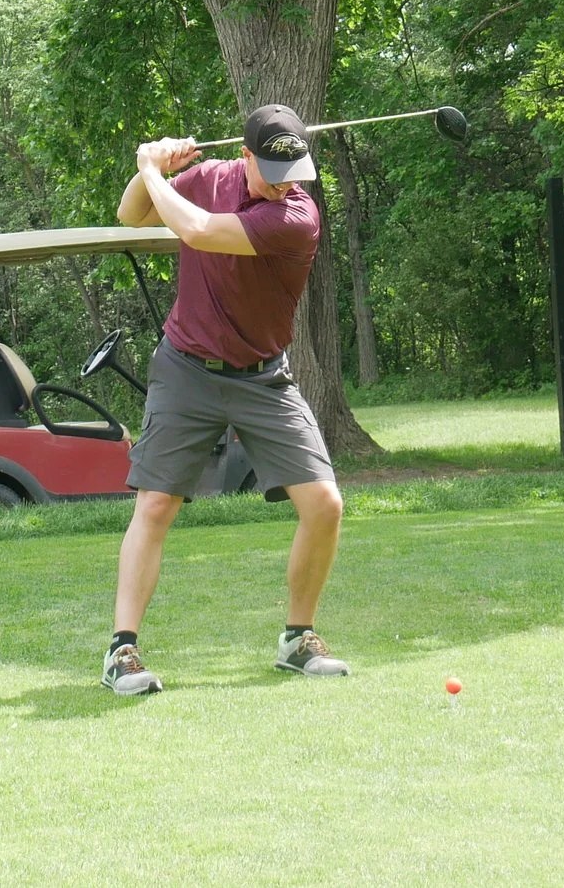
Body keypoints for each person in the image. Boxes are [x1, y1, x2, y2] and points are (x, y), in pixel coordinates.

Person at [102, 102, 351, 696]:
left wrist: (150, 165)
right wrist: (151, 171)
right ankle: (121, 652)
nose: (285, 181)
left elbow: (196, 231)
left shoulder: (297, 217)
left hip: (264, 377)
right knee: (157, 505)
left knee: (325, 505)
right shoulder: (209, 178)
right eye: (271, 168)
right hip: (186, 368)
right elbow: (131, 214)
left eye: (294, 170)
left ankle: (297, 639)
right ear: (245, 156)